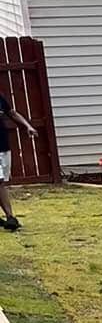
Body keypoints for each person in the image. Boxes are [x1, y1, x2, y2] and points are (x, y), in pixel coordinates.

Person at [0, 86, 37, 231]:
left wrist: (27, 126)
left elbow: (12, 113)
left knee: (2, 182)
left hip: (3, 146)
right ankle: (10, 217)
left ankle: (9, 217)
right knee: (0, 182)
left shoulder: (1, 99)